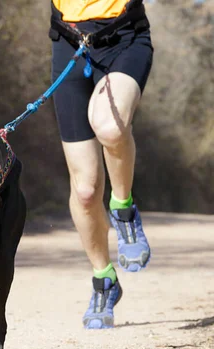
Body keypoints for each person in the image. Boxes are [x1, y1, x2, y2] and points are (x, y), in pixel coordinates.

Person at [49, 0, 152, 329]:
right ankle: (104, 278)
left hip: (124, 38)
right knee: (85, 190)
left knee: (110, 126)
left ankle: (123, 209)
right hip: (70, 42)